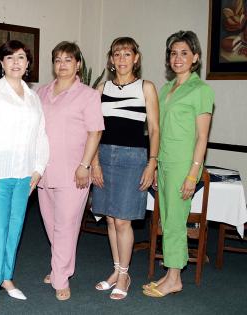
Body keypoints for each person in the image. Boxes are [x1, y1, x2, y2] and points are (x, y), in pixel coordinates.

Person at [0, 40, 49, 313]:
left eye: (22, 57)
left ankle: (5, 278)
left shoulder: (33, 97)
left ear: (28, 64)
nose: (16, 62)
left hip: (24, 173)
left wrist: (38, 168)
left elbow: (40, 136)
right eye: (10, 57)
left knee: (14, 228)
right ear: (1, 63)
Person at [143, 30, 214, 298]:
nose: (178, 58)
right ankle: (171, 273)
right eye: (173, 53)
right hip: (164, 163)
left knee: (175, 221)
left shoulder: (201, 90)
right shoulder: (166, 89)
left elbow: (203, 137)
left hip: (184, 165)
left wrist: (192, 173)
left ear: (195, 57)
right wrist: (154, 163)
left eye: (184, 53)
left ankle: (175, 279)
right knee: (167, 220)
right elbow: (157, 129)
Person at [91, 37, 159, 300]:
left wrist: (151, 163)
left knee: (123, 219)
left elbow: (154, 129)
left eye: (127, 54)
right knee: (110, 217)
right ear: (111, 59)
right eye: (117, 54)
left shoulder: (146, 87)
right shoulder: (101, 87)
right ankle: (117, 270)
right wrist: (94, 161)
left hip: (133, 158)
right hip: (105, 155)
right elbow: (94, 128)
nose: (121, 59)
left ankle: (124, 275)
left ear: (136, 58)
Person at [37, 41, 104, 301]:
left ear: (78, 65)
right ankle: (59, 266)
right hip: (44, 170)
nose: (62, 64)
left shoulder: (88, 95)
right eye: (58, 60)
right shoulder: (42, 92)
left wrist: (85, 165)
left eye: (68, 60)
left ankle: (61, 277)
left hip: (74, 170)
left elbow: (95, 132)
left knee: (66, 225)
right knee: (51, 224)